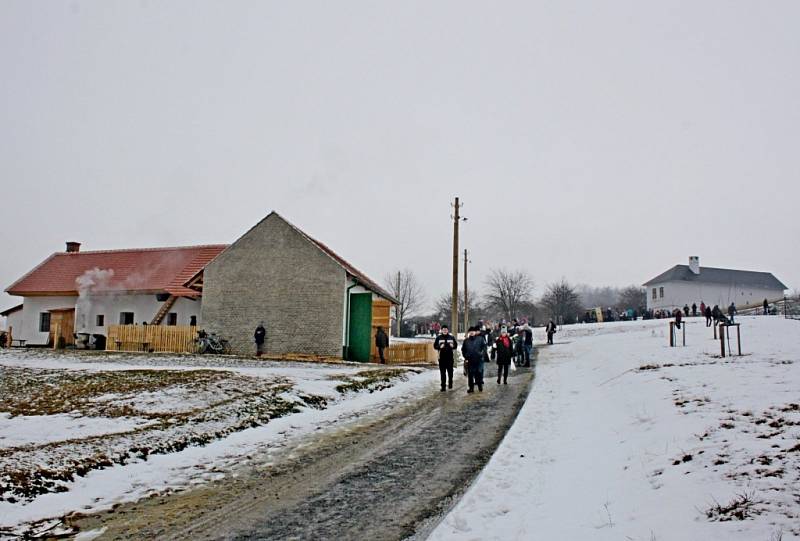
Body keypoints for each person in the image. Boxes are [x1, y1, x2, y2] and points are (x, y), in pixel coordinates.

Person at [461, 326, 486, 393]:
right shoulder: (466, 341)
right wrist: (465, 356)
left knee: (479, 373)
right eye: (470, 331)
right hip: (470, 360)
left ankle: (480, 386)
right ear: (469, 332)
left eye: (473, 331)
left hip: (478, 359)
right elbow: (463, 350)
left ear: (475, 332)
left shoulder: (480, 339)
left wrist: (481, 354)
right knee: (470, 375)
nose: (472, 332)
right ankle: (471, 388)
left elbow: (484, 347)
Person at [433, 325, 457, 391]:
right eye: (443, 330)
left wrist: (453, 346)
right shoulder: (438, 337)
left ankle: (450, 383)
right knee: (442, 373)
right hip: (442, 358)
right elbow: (435, 346)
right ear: (441, 330)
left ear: (448, 330)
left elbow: (456, 346)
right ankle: (443, 386)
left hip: (450, 358)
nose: (445, 331)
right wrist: (439, 347)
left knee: (450, 372)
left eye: (446, 329)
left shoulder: (451, 337)